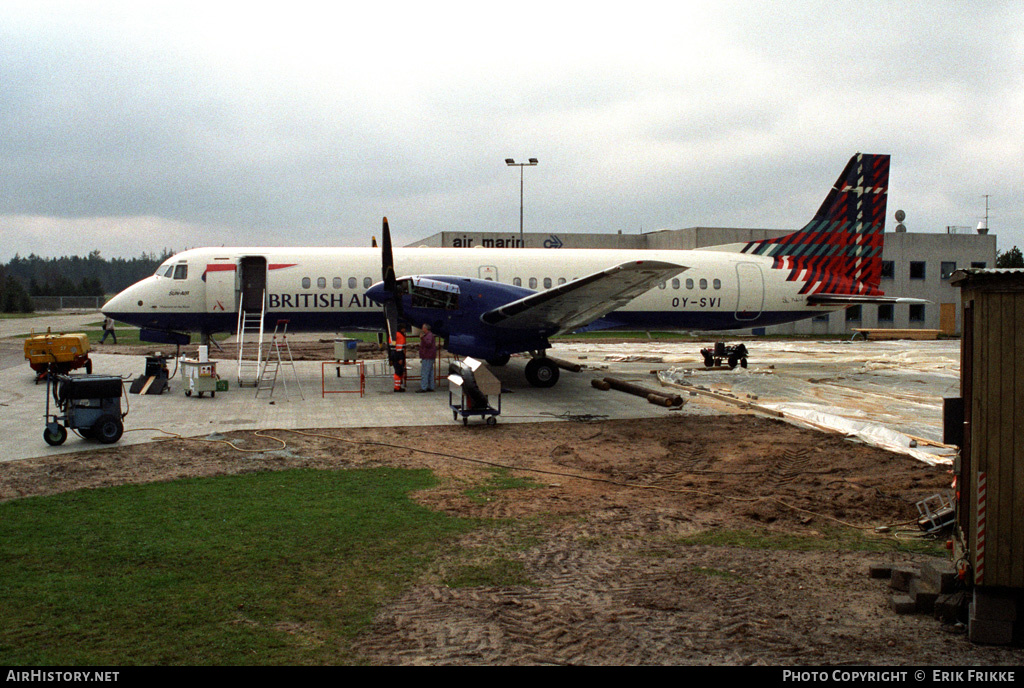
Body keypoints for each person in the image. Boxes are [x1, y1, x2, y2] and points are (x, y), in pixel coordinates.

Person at [417, 323, 437, 392]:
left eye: (423, 328)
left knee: (424, 372)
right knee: (430, 372)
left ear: (426, 328)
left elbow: (428, 344)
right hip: (430, 356)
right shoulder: (430, 335)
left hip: (427, 356)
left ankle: (424, 387)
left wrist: (422, 338)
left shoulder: (428, 336)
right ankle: (431, 386)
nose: (422, 329)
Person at [389, 323, 407, 392]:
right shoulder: (400, 336)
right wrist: (400, 358)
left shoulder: (394, 335)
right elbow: (399, 348)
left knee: (398, 371)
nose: (405, 330)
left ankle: (398, 386)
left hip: (394, 355)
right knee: (398, 372)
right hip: (398, 355)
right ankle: (397, 387)